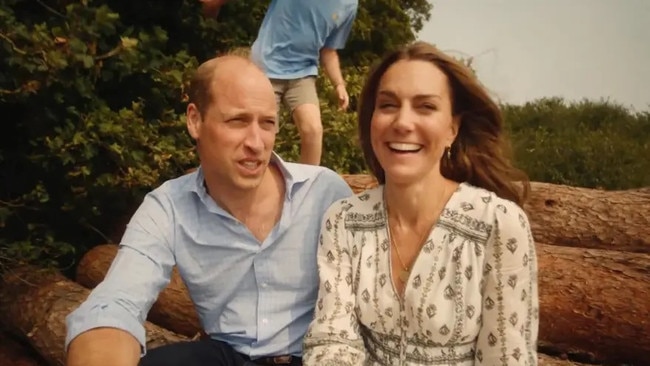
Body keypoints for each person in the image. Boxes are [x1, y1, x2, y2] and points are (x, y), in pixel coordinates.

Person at [64, 54, 353, 366]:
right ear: (195, 120)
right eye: (238, 121)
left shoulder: (325, 192)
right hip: (226, 356)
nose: (256, 142)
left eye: (267, 123)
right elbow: (116, 301)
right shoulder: (169, 207)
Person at [302, 41, 539, 365]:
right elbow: (331, 341)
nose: (402, 122)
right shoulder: (344, 221)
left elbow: (507, 358)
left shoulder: (497, 224)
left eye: (425, 107)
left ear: (452, 128)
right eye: (387, 105)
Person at [201, 0, 358, 166]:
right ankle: (250, 176)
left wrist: (339, 84)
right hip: (266, 67)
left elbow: (329, 50)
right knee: (262, 132)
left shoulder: (349, 5)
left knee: (313, 130)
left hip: (303, 73)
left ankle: (309, 184)